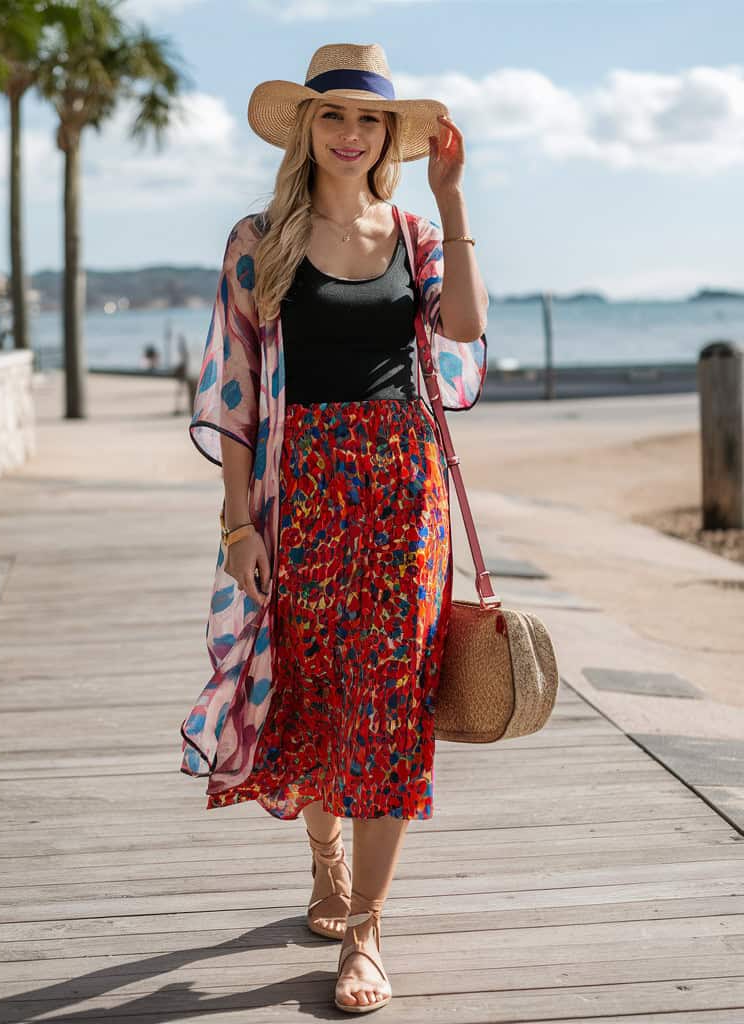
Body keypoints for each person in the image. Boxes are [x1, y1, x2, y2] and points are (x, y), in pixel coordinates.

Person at [179, 42, 488, 1013]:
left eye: (369, 121)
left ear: (390, 136)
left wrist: (451, 201)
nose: (351, 134)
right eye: (333, 116)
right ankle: (327, 859)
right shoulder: (259, 239)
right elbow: (235, 393)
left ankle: (367, 931)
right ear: (307, 128)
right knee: (314, 691)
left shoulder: (414, 233)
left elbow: (464, 329)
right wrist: (240, 527)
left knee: (393, 699)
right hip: (300, 489)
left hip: (404, 493)